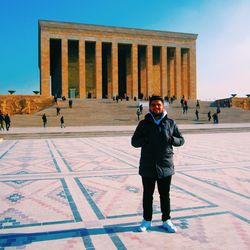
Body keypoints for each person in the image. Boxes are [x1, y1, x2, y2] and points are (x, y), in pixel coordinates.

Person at [131, 95, 185, 233]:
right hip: (148, 165)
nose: (156, 107)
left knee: (165, 195)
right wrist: (145, 139)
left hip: (165, 165)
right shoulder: (143, 124)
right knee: (147, 195)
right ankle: (146, 221)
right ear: (150, 107)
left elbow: (181, 140)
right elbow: (134, 142)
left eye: (159, 105)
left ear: (163, 106)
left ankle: (166, 220)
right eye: (154, 105)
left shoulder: (170, 123)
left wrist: (172, 139)